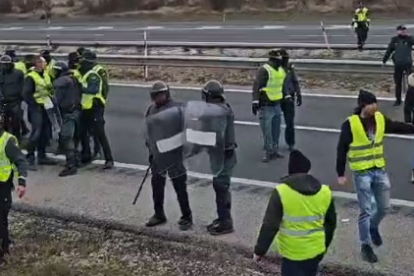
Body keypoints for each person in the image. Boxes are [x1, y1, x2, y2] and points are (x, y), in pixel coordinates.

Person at [336, 89, 414, 263]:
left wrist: (412, 128)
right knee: (366, 210)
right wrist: (340, 173)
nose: (376, 107)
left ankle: (373, 227)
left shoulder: (379, 118)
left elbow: (395, 126)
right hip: (361, 173)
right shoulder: (351, 124)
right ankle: (366, 246)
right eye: (373, 104)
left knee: (384, 207)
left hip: (379, 170)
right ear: (364, 105)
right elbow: (342, 149)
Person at [254, 150, 337, 276]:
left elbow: (270, 225)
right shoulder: (325, 192)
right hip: (316, 252)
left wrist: (260, 251)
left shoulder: (282, 192)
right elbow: (331, 224)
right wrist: (324, 245)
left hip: (292, 254)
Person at [145, 81, 193, 231]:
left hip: (173, 155)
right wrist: (151, 149)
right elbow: (149, 131)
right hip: (158, 156)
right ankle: (159, 214)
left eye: (159, 95)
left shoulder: (177, 110)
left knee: (179, 186)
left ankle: (187, 216)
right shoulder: (151, 109)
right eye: (154, 96)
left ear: (166, 94)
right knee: (157, 185)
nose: (156, 99)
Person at [201, 80, 237, 235]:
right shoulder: (221, 108)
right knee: (220, 187)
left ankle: (226, 222)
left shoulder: (218, 112)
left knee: (221, 188)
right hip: (223, 155)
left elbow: (216, 136)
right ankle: (222, 217)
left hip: (222, 157)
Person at [78, 50, 113, 169]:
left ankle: (109, 159)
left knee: (99, 133)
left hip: (95, 106)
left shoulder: (94, 73)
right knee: (83, 132)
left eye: (83, 60)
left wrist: (79, 87)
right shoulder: (91, 70)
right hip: (86, 106)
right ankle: (86, 155)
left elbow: (93, 89)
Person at [0, 113, 27, 266]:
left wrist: (21, 182)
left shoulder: (7, 141)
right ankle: (6, 243)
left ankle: (3, 252)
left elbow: (20, 162)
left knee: (1, 222)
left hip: (2, 187)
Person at [23, 55, 57, 170]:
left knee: (45, 132)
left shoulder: (46, 74)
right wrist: (35, 104)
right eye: (43, 63)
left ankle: (42, 156)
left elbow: (49, 87)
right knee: (36, 132)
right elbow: (26, 94)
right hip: (36, 108)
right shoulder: (31, 77)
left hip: (46, 106)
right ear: (37, 64)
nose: (46, 64)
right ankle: (30, 157)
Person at [252, 49, 286, 162]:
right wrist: (255, 101)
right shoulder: (264, 70)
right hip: (265, 105)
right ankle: (268, 152)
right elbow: (256, 85)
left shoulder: (280, 70)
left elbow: (282, 85)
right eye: (277, 60)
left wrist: (286, 97)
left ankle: (274, 150)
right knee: (267, 132)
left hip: (277, 104)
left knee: (276, 130)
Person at [53, 61, 82, 177]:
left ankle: (71, 165)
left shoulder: (61, 82)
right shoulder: (74, 79)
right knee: (74, 137)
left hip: (67, 113)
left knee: (66, 137)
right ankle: (76, 160)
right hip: (76, 111)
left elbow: (56, 100)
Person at [382, 25, 414, 106]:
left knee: (411, 83)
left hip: (408, 64)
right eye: (401, 30)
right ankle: (398, 100)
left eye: (404, 30)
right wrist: (384, 60)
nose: (403, 31)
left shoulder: (410, 39)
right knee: (398, 83)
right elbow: (389, 50)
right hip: (398, 64)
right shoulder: (394, 40)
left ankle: (411, 100)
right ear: (398, 31)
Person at [280, 49, 302, 151]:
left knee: (290, 122)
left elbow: (295, 81)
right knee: (273, 122)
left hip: (290, 98)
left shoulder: (289, 68)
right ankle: (271, 144)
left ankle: (290, 143)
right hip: (277, 97)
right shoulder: (274, 69)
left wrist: (299, 94)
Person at [0, 55, 25, 141]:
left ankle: (17, 139)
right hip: (3, 103)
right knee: (4, 123)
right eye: (2, 64)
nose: (4, 66)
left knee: (16, 123)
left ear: (10, 64)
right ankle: (6, 140)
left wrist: (21, 99)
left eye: (6, 64)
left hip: (15, 102)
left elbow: (23, 87)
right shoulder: (1, 74)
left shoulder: (18, 73)